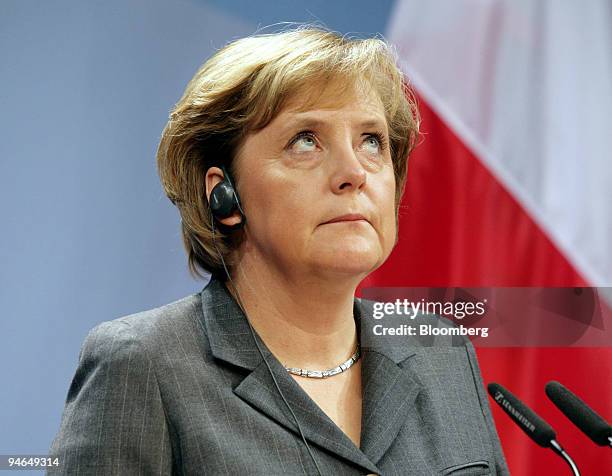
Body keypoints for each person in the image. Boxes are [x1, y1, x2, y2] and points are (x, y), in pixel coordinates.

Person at [47, 25, 509, 475]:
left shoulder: (441, 353)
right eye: (305, 141)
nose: (354, 172)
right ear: (224, 195)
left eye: (371, 141)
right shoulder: (143, 365)